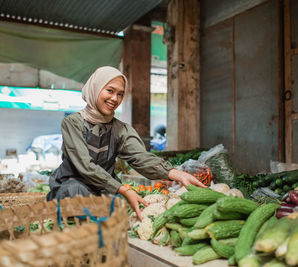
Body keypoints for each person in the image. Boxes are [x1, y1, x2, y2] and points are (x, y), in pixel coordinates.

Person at [46, 66, 206, 220]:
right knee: (77, 193)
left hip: (104, 189)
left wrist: (176, 173)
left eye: (120, 94)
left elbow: (141, 158)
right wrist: (123, 189)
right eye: (110, 90)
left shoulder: (120, 129)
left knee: (121, 209)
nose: (114, 99)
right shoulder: (73, 123)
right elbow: (85, 166)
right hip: (72, 186)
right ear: (94, 88)